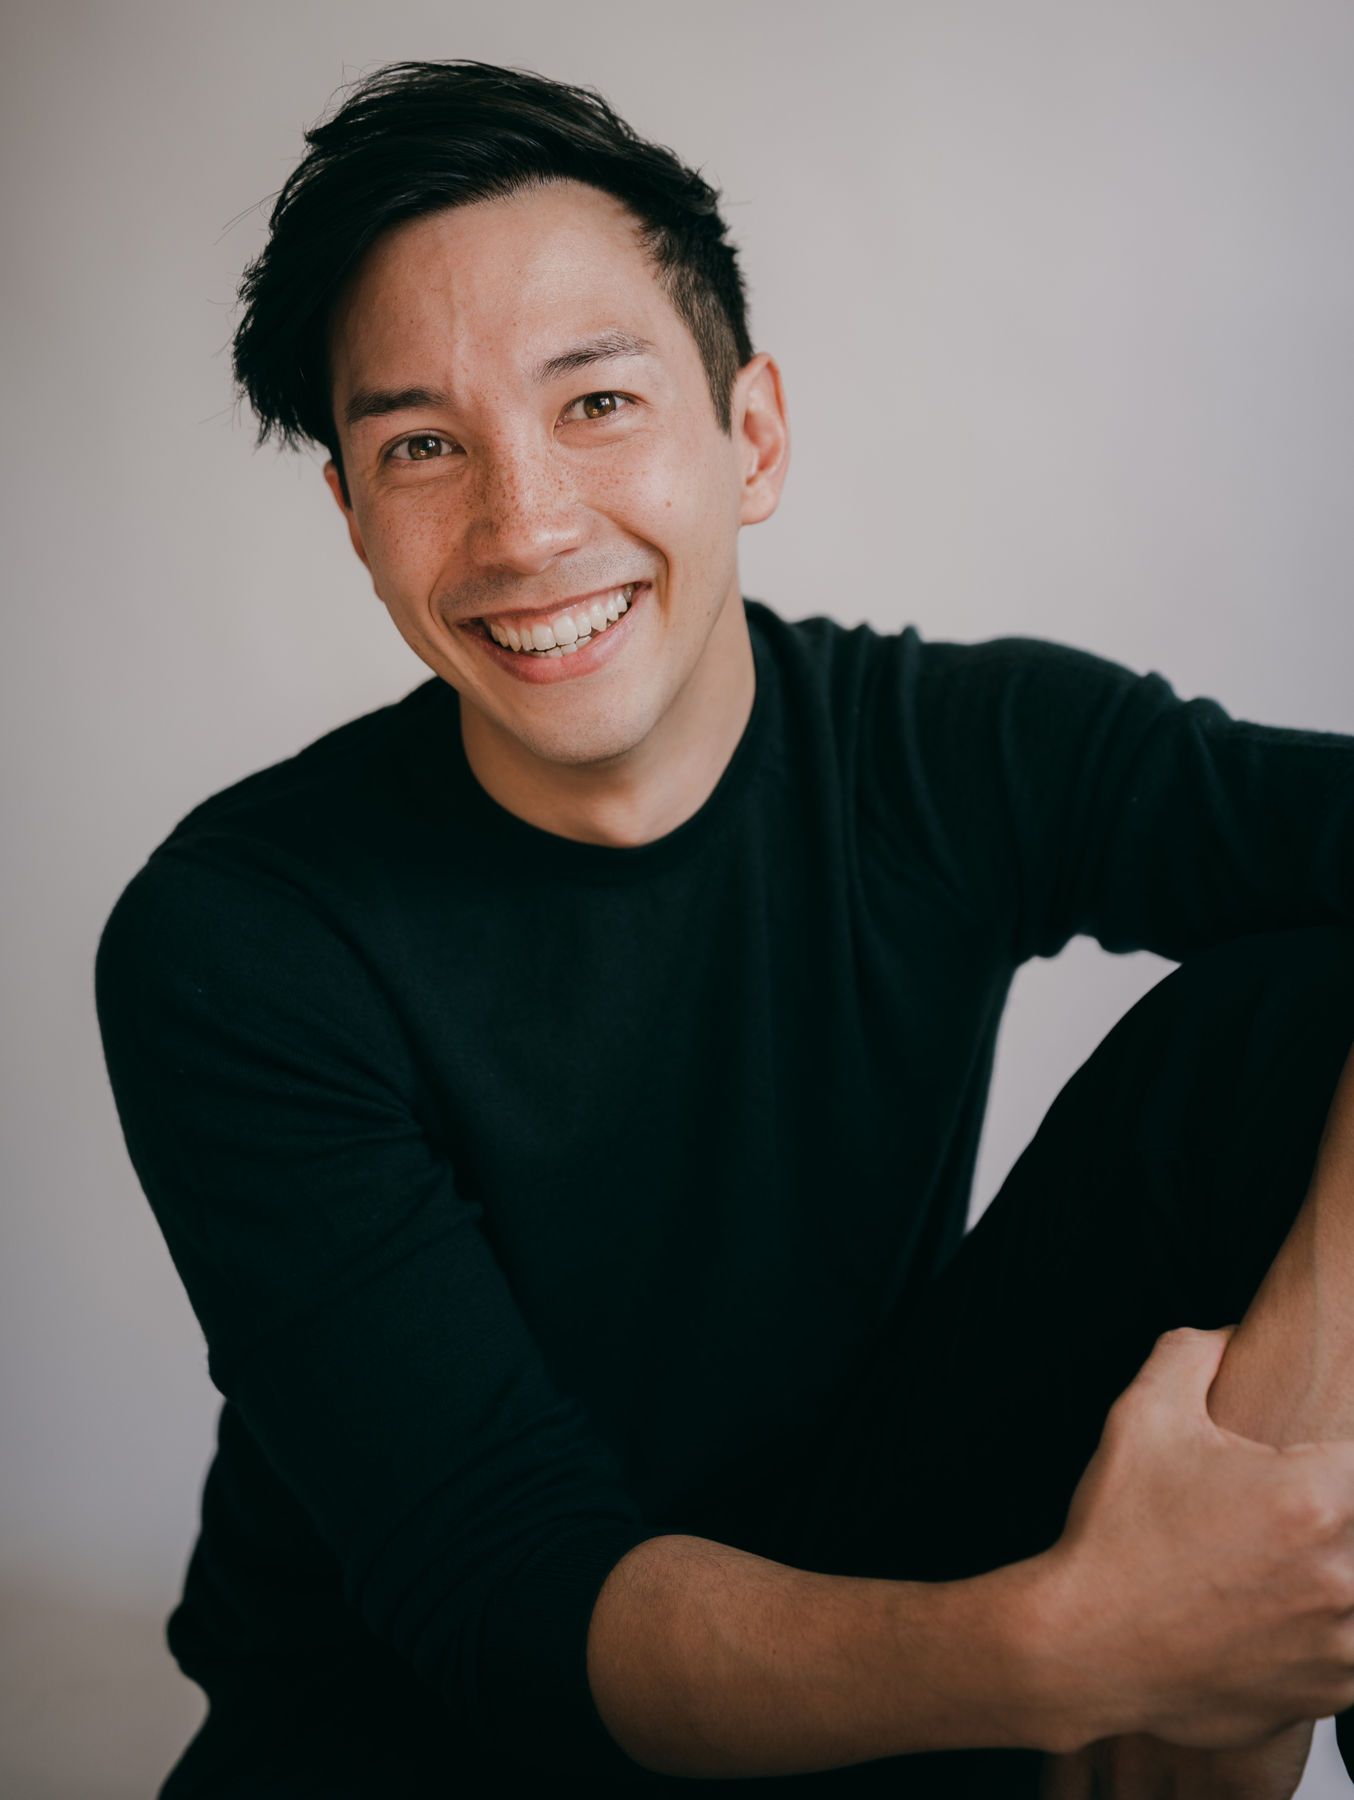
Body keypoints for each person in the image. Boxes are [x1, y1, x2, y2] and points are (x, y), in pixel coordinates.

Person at [92, 57, 1354, 1798]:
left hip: (871, 1607)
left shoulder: (948, 752)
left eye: (595, 402)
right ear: (355, 521)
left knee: (1293, 1025)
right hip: (431, 1742)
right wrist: (1083, 1647)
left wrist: (1287, 1440)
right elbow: (514, 1596)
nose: (526, 528)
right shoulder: (239, 936)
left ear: (748, 437)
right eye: (421, 447)